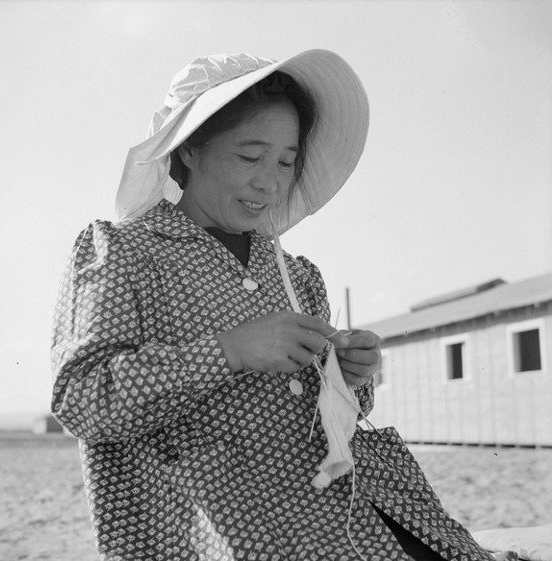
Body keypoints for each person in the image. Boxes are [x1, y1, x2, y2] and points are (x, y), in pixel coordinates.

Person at [51, 50, 494, 560]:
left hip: (353, 509)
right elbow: (81, 400)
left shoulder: (297, 273)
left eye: (286, 161)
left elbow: (331, 413)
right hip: (219, 532)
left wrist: (347, 377)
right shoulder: (123, 251)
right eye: (249, 156)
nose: (270, 181)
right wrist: (229, 351)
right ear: (190, 150)